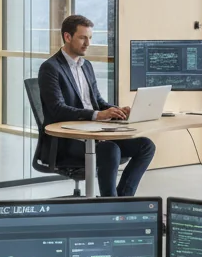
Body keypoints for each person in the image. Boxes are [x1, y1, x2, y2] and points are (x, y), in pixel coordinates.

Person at [38, 15, 155, 197]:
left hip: (95, 134)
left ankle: (122, 201)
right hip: (68, 141)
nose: (88, 43)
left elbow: (98, 101)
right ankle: (110, 206)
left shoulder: (86, 66)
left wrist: (116, 110)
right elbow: (57, 109)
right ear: (67, 37)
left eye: (90, 38)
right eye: (83, 37)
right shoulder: (50, 68)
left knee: (146, 146)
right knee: (110, 149)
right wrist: (97, 115)